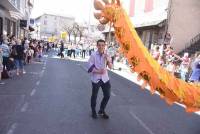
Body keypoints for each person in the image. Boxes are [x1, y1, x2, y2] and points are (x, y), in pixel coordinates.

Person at [88, 39, 112, 119]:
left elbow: (111, 67)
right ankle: (93, 111)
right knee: (94, 96)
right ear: (97, 46)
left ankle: (101, 110)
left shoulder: (107, 54)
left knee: (107, 95)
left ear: (104, 46)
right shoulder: (93, 55)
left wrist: (108, 60)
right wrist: (98, 71)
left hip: (105, 79)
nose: (101, 47)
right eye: (99, 45)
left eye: (103, 45)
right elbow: (90, 67)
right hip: (96, 79)